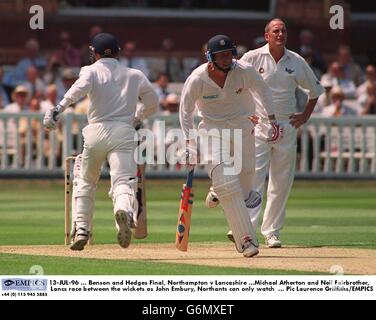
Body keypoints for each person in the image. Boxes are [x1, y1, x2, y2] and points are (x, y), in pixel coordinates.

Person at [43, 33, 158, 251]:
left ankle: (82, 229)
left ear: (94, 53)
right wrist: (136, 118)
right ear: (118, 52)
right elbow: (152, 103)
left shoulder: (90, 70)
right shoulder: (135, 74)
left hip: (95, 131)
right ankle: (123, 209)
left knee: (85, 181)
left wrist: (58, 109)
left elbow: (78, 90)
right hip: (124, 131)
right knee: (123, 180)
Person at [180, 34, 282, 258]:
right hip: (212, 132)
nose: (226, 59)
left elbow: (263, 91)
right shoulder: (197, 78)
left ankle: (218, 189)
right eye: (221, 55)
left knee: (245, 186)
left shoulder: (244, 70)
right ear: (210, 57)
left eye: (229, 54)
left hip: (243, 129)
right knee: (228, 183)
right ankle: (245, 240)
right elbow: (185, 112)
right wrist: (190, 143)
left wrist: (272, 120)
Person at [237, 19, 324, 247]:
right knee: (253, 177)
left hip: (286, 125)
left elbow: (314, 90)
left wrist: (305, 116)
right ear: (267, 35)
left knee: (281, 181)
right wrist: (246, 113)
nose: (280, 34)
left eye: (284, 30)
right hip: (259, 125)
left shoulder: (296, 61)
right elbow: (236, 86)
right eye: (276, 31)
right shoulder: (252, 58)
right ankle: (247, 230)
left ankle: (272, 232)